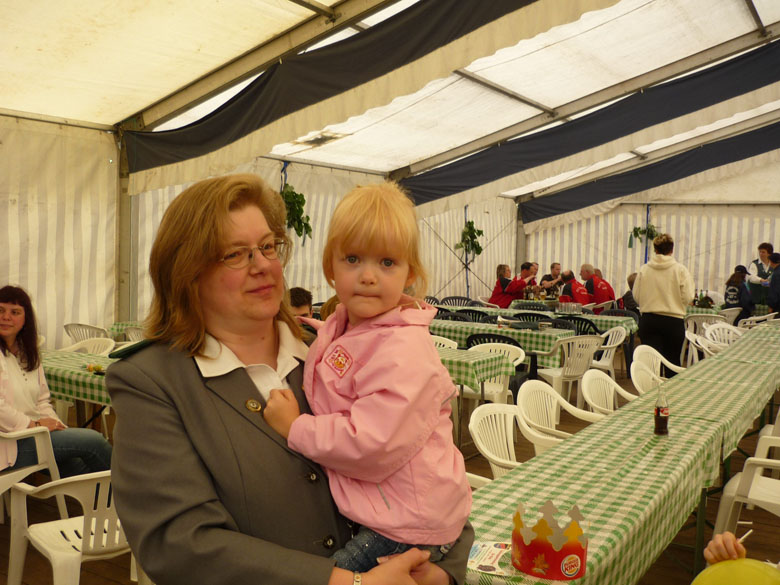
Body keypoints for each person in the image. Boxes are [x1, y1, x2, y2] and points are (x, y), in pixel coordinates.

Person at [106, 174, 472, 585]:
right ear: (187, 272)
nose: (262, 265)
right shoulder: (152, 381)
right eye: (235, 254)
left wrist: (440, 574)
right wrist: (349, 583)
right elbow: (178, 543)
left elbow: (430, 470)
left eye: (267, 247)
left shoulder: (334, 351)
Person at [263, 182, 471, 573]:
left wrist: (295, 428)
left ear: (411, 273)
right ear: (331, 267)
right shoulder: (349, 327)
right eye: (353, 259)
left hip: (405, 522)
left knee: (335, 577)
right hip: (391, 508)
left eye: (387, 262)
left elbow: (372, 442)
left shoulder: (403, 350)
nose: (369, 276)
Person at [0, 285, 112, 478]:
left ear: (26, 319)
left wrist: (56, 425)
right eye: (0, 310)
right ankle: (130, 491)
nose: (6, 317)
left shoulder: (28, 353)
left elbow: (42, 400)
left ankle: (110, 495)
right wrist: (35, 425)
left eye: (15, 312)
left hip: (34, 435)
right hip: (9, 444)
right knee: (95, 442)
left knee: (80, 468)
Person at [632, 234, 695, 373]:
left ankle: (648, 386)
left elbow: (636, 295)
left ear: (655, 250)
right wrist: (675, 302)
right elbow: (688, 296)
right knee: (672, 363)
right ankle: (671, 387)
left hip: (649, 321)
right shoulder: (680, 270)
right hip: (673, 322)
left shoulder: (644, 269)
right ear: (672, 250)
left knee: (650, 365)